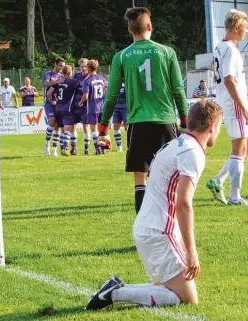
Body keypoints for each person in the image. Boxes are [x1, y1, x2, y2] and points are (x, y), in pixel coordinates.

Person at [87, 100, 223, 310]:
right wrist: (191, 252)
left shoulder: (176, 144)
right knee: (187, 298)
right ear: (213, 126)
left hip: (147, 227)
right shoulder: (192, 152)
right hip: (160, 232)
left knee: (168, 289)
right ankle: (115, 292)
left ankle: (115, 290)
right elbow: (183, 203)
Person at [97, 7, 188, 215]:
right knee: (170, 179)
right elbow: (178, 90)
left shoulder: (121, 57)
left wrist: (103, 130)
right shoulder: (167, 52)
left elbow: (110, 96)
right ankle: (169, 229)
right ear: (149, 26)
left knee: (141, 180)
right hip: (165, 121)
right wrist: (184, 122)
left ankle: (144, 233)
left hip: (138, 123)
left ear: (130, 30)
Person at [207, 9, 248, 206]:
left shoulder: (220, 47)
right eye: (245, 28)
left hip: (227, 101)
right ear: (237, 28)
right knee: (239, 150)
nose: (246, 32)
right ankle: (235, 198)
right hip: (233, 104)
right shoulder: (231, 50)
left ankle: (218, 180)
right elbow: (229, 80)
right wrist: (243, 108)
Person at [47, 65, 80, 156]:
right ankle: (65, 148)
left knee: (60, 129)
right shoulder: (73, 81)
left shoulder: (59, 82)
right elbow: (82, 85)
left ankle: (63, 148)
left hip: (58, 108)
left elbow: (49, 93)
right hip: (67, 108)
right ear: (70, 72)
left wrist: (53, 102)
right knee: (68, 129)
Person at [78, 59, 108, 155]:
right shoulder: (101, 78)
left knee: (93, 129)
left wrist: (81, 102)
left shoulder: (87, 80)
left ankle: (98, 149)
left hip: (92, 107)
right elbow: (106, 89)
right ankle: (103, 148)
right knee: (101, 129)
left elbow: (86, 95)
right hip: (102, 106)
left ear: (89, 68)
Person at [43, 57, 66, 156]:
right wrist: (57, 82)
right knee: (51, 121)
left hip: (59, 103)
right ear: (55, 65)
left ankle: (54, 149)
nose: (62, 68)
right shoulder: (48, 74)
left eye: (63, 66)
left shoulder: (62, 75)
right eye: (60, 65)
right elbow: (46, 83)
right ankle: (46, 145)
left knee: (57, 126)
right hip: (49, 102)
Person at [72, 58, 90, 155]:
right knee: (73, 125)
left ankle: (86, 149)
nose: (83, 68)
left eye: (85, 66)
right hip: (76, 103)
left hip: (86, 104)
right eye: (81, 66)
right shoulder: (77, 75)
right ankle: (74, 147)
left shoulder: (91, 75)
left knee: (85, 126)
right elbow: (73, 85)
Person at [113, 83, 127, 152]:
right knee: (116, 126)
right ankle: (119, 147)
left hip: (125, 107)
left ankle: (129, 145)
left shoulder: (127, 82)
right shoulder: (114, 83)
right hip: (116, 107)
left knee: (127, 127)